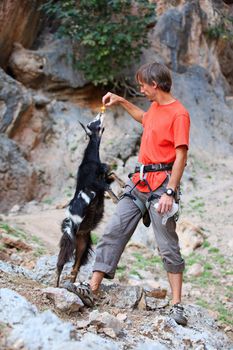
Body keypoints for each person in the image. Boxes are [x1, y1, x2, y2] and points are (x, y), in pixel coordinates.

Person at [90, 62, 190, 326]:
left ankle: (178, 305)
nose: (141, 89)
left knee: (167, 245)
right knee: (115, 229)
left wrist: (171, 191)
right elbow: (145, 119)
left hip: (162, 187)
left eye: (142, 85)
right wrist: (122, 101)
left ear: (154, 85)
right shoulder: (156, 108)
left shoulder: (179, 114)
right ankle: (91, 289)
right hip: (140, 182)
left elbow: (181, 156)